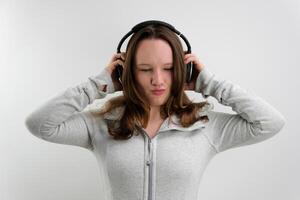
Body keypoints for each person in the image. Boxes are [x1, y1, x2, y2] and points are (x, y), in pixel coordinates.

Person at [25, 21, 286, 200]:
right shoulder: (102, 124)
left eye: (169, 68)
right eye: (145, 69)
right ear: (127, 73)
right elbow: (39, 124)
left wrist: (210, 82)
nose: (158, 80)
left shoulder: (205, 125)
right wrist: (99, 84)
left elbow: (270, 122)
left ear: (184, 70)